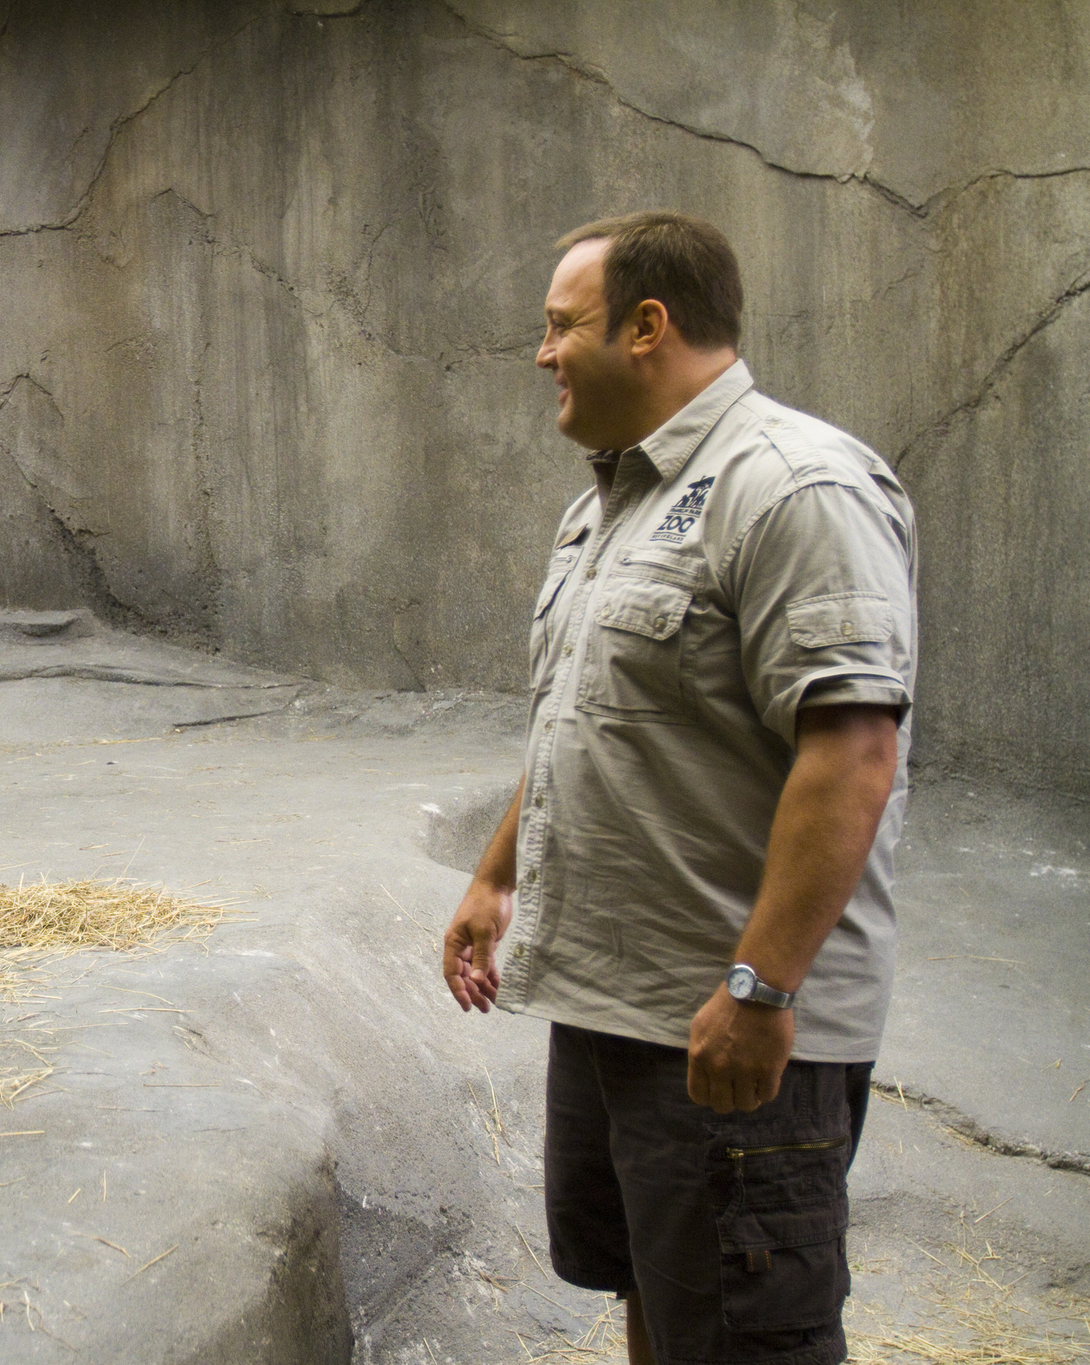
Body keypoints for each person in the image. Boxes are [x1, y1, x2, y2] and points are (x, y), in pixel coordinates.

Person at [440, 211, 916, 1365]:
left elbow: (851, 752)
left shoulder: (794, 488)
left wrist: (757, 988)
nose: (541, 354)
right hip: (613, 994)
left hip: (730, 1017)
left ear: (646, 326)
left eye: (559, 327)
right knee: (658, 1297)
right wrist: (495, 873)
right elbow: (582, 716)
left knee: (748, 1341)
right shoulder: (609, 502)